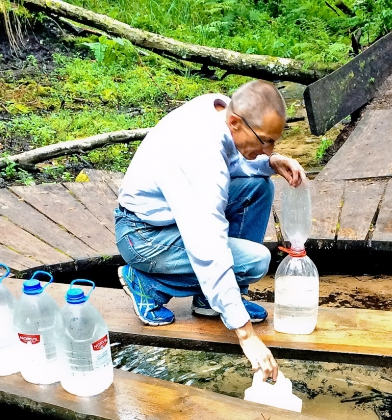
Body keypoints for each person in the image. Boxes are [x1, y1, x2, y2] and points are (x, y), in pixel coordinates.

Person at [114, 80, 307, 383]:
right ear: (235, 122)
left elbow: (233, 164)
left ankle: (210, 301)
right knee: (256, 261)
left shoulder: (218, 111)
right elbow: (207, 247)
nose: (269, 148)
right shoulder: (200, 152)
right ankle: (147, 284)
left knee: (258, 188)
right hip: (144, 236)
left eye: (274, 142)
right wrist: (245, 334)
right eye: (266, 141)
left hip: (168, 221)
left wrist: (269, 163)